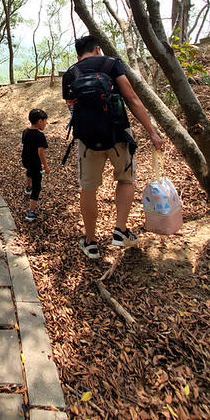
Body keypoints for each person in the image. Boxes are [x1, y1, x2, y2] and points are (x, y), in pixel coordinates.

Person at [63, 35, 163, 260]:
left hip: (87, 141)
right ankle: (120, 230)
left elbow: (72, 108)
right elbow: (132, 99)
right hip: (119, 135)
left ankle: (90, 242)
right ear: (97, 49)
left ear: (79, 54)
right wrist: (152, 132)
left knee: (88, 188)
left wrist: (90, 130)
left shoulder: (71, 73)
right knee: (126, 180)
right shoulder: (111, 64)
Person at [21, 108, 50, 222]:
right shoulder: (39, 135)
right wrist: (46, 166)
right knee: (37, 187)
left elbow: (25, 145)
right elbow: (40, 152)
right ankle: (31, 212)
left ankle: (28, 187)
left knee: (29, 172)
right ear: (40, 122)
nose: (46, 124)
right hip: (35, 163)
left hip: (26, 160)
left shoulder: (25, 131)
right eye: (45, 122)